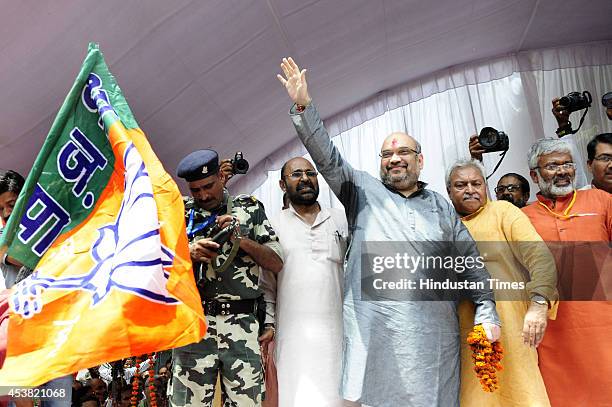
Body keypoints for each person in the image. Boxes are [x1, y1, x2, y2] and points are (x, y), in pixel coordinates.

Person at [276, 57, 501, 406]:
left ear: (420, 160)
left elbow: (471, 265)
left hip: (435, 340)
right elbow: (326, 157)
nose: (394, 158)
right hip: (379, 334)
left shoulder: (441, 207)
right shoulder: (361, 190)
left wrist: (487, 310)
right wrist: (304, 106)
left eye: (403, 152)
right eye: (386, 154)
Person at [171, 149, 283, 407]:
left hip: (241, 326)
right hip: (194, 326)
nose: (203, 195)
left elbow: (275, 262)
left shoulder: (249, 208)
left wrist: (240, 240)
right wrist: (189, 253)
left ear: (222, 177)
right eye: (196, 189)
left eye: (208, 186)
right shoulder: (179, 212)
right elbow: (157, 264)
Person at [446, 159, 557, 407]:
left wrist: (540, 303)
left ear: (486, 186)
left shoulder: (503, 212)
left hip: (512, 327)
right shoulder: (443, 226)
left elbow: (539, 256)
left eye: (476, 183)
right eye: (461, 185)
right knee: (475, 396)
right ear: (449, 191)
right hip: (463, 332)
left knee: (523, 393)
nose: (470, 189)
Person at [522, 138, 612, 406]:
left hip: (604, 324)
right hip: (554, 332)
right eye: (552, 166)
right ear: (534, 174)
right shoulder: (522, 217)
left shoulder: (601, 200)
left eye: (567, 164)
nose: (562, 171)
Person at [268, 157, 348, 407]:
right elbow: (266, 286)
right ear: (283, 184)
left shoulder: (341, 219)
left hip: (338, 335)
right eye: (296, 174)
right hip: (293, 340)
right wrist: (269, 325)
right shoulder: (273, 224)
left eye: (310, 173)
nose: (305, 178)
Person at [468, 136, 531, 208]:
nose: (505, 192)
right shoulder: (492, 215)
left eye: (512, 188)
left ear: (526, 196)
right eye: (501, 189)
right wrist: (476, 159)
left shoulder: (536, 214)